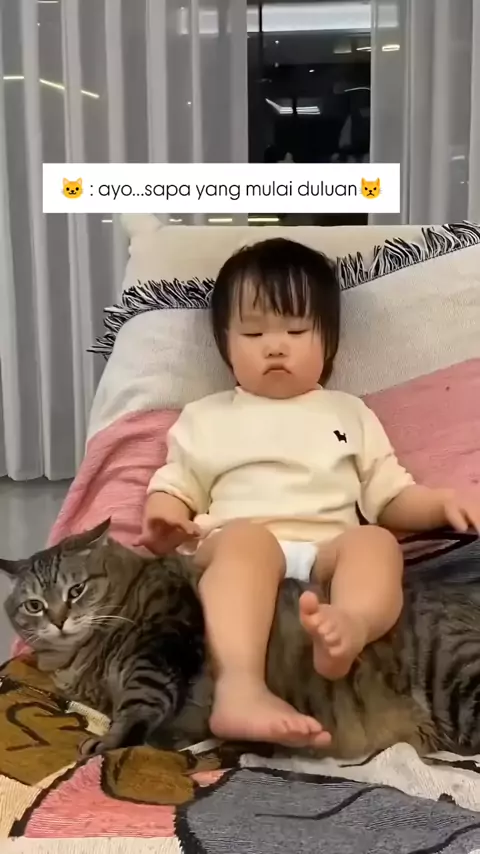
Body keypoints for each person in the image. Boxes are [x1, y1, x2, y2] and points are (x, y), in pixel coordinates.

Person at [140, 238, 480, 749]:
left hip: (326, 554)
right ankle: (240, 689)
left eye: (296, 331)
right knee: (247, 543)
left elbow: (390, 497)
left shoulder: (349, 413)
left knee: (375, 543)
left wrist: (440, 505)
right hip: (239, 546)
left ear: (328, 343)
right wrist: (164, 519)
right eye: (254, 332)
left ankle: (350, 626)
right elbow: (175, 485)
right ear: (226, 345)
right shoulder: (206, 418)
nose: (275, 346)